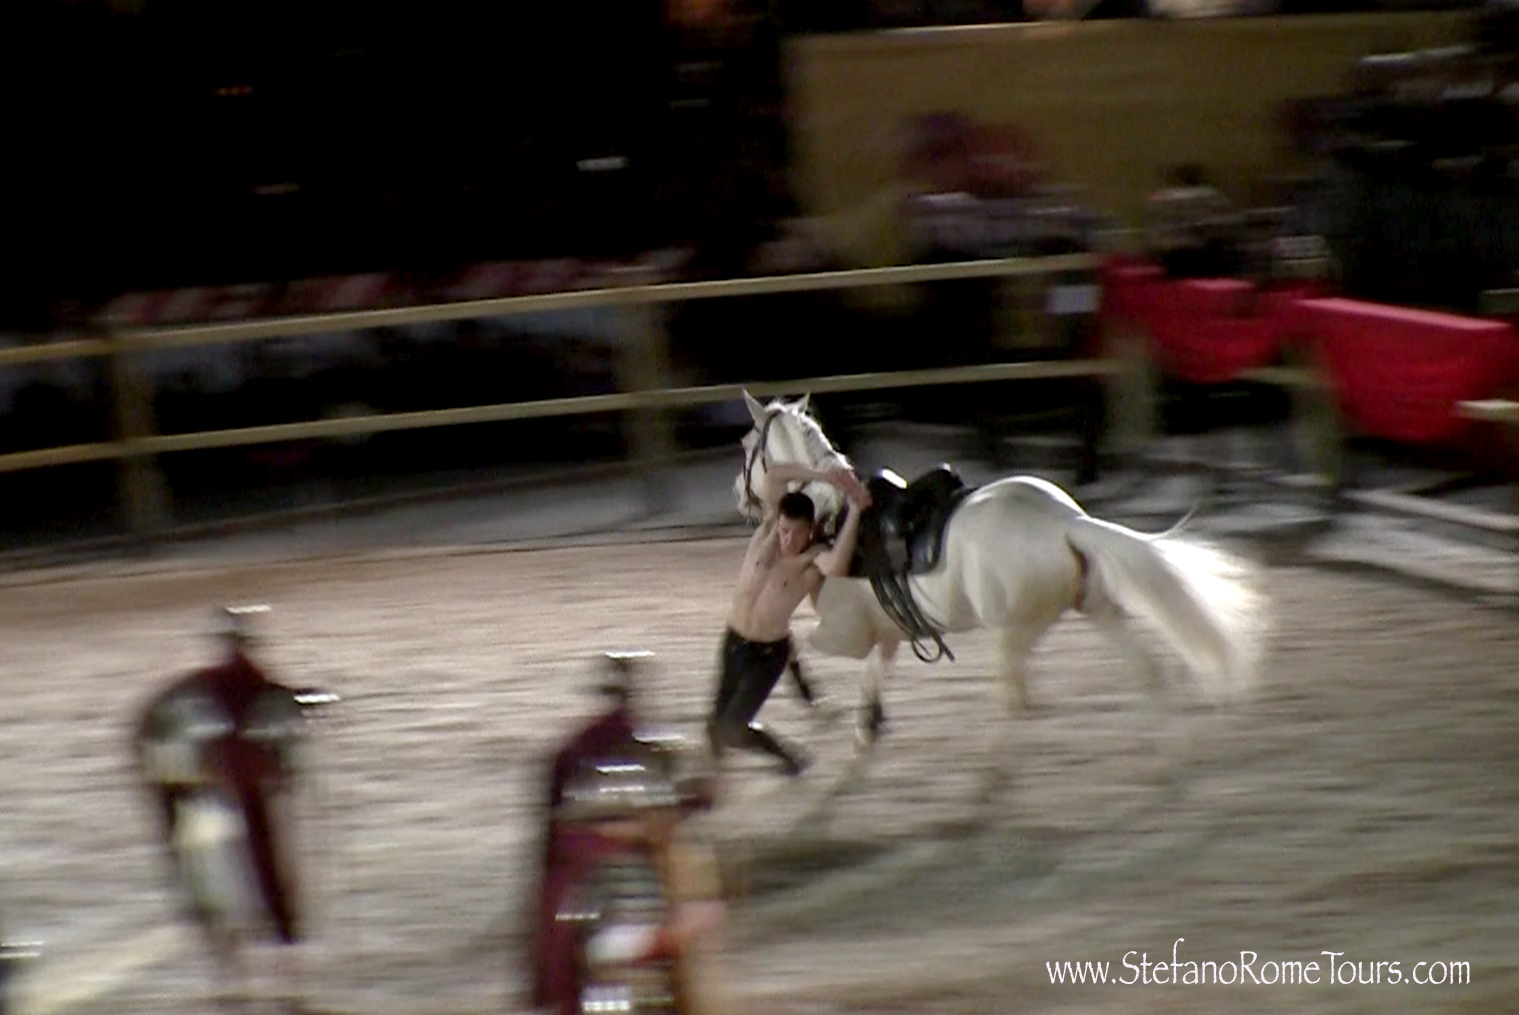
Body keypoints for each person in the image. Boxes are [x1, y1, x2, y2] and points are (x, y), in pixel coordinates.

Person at [130, 604, 306, 1004]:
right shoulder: (248, 683)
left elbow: (152, 726)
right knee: (258, 881)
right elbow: (278, 739)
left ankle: (238, 980)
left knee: (224, 884)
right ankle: (277, 983)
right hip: (231, 793)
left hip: (210, 794)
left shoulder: (208, 684)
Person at [708, 462, 871, 778]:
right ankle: (720, 786)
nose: (788, 540)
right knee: (714, 732)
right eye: (784, 531)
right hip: (733, 641)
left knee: (732, 729)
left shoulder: (812, 558)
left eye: (797, 533)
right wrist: (822, 476)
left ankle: (791, 760)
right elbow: (775, 475)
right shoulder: (769, 527)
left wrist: (854, 511)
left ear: (809, 530)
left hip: (768, 654)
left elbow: (836, 565)